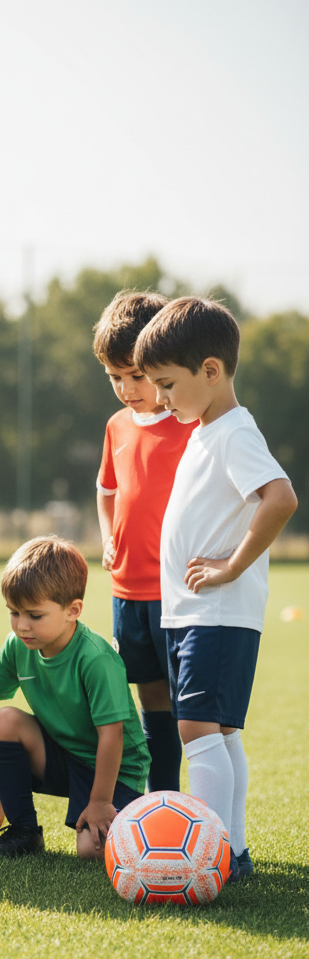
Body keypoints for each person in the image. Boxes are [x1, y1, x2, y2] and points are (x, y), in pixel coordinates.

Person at [135, 297, 298, 881]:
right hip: (193, 613)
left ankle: (206, 854)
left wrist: (230, 565)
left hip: (219, 611)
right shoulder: (204, 429)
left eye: (167, 384)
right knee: (220, 731)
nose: (160, 398)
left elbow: (280, 498)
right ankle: (232, 851)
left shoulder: (233, 431)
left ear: (211, 369)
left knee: (196, 731)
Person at [0, 536, 150, 859]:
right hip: (65, 756)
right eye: (14, 613)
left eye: (34, 616)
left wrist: (99, 803)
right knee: (4, 721)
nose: (22, 626)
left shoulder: (95, 658)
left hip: (115, 768)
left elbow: (112, 734)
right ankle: (24, 831)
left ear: (73, 610)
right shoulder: (17, 646)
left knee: (90, 853)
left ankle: (132, 811)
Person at [93, 290, 195, 794]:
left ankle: (173, 798)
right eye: (115, 377)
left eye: (137, 375)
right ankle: (154, 796)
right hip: (126, 591)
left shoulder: (191, 424)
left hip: (176, 592)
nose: (127, 389)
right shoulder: (116, 426)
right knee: (148, 692)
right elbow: (106, 489)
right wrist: (107, 534)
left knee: (183, 699)